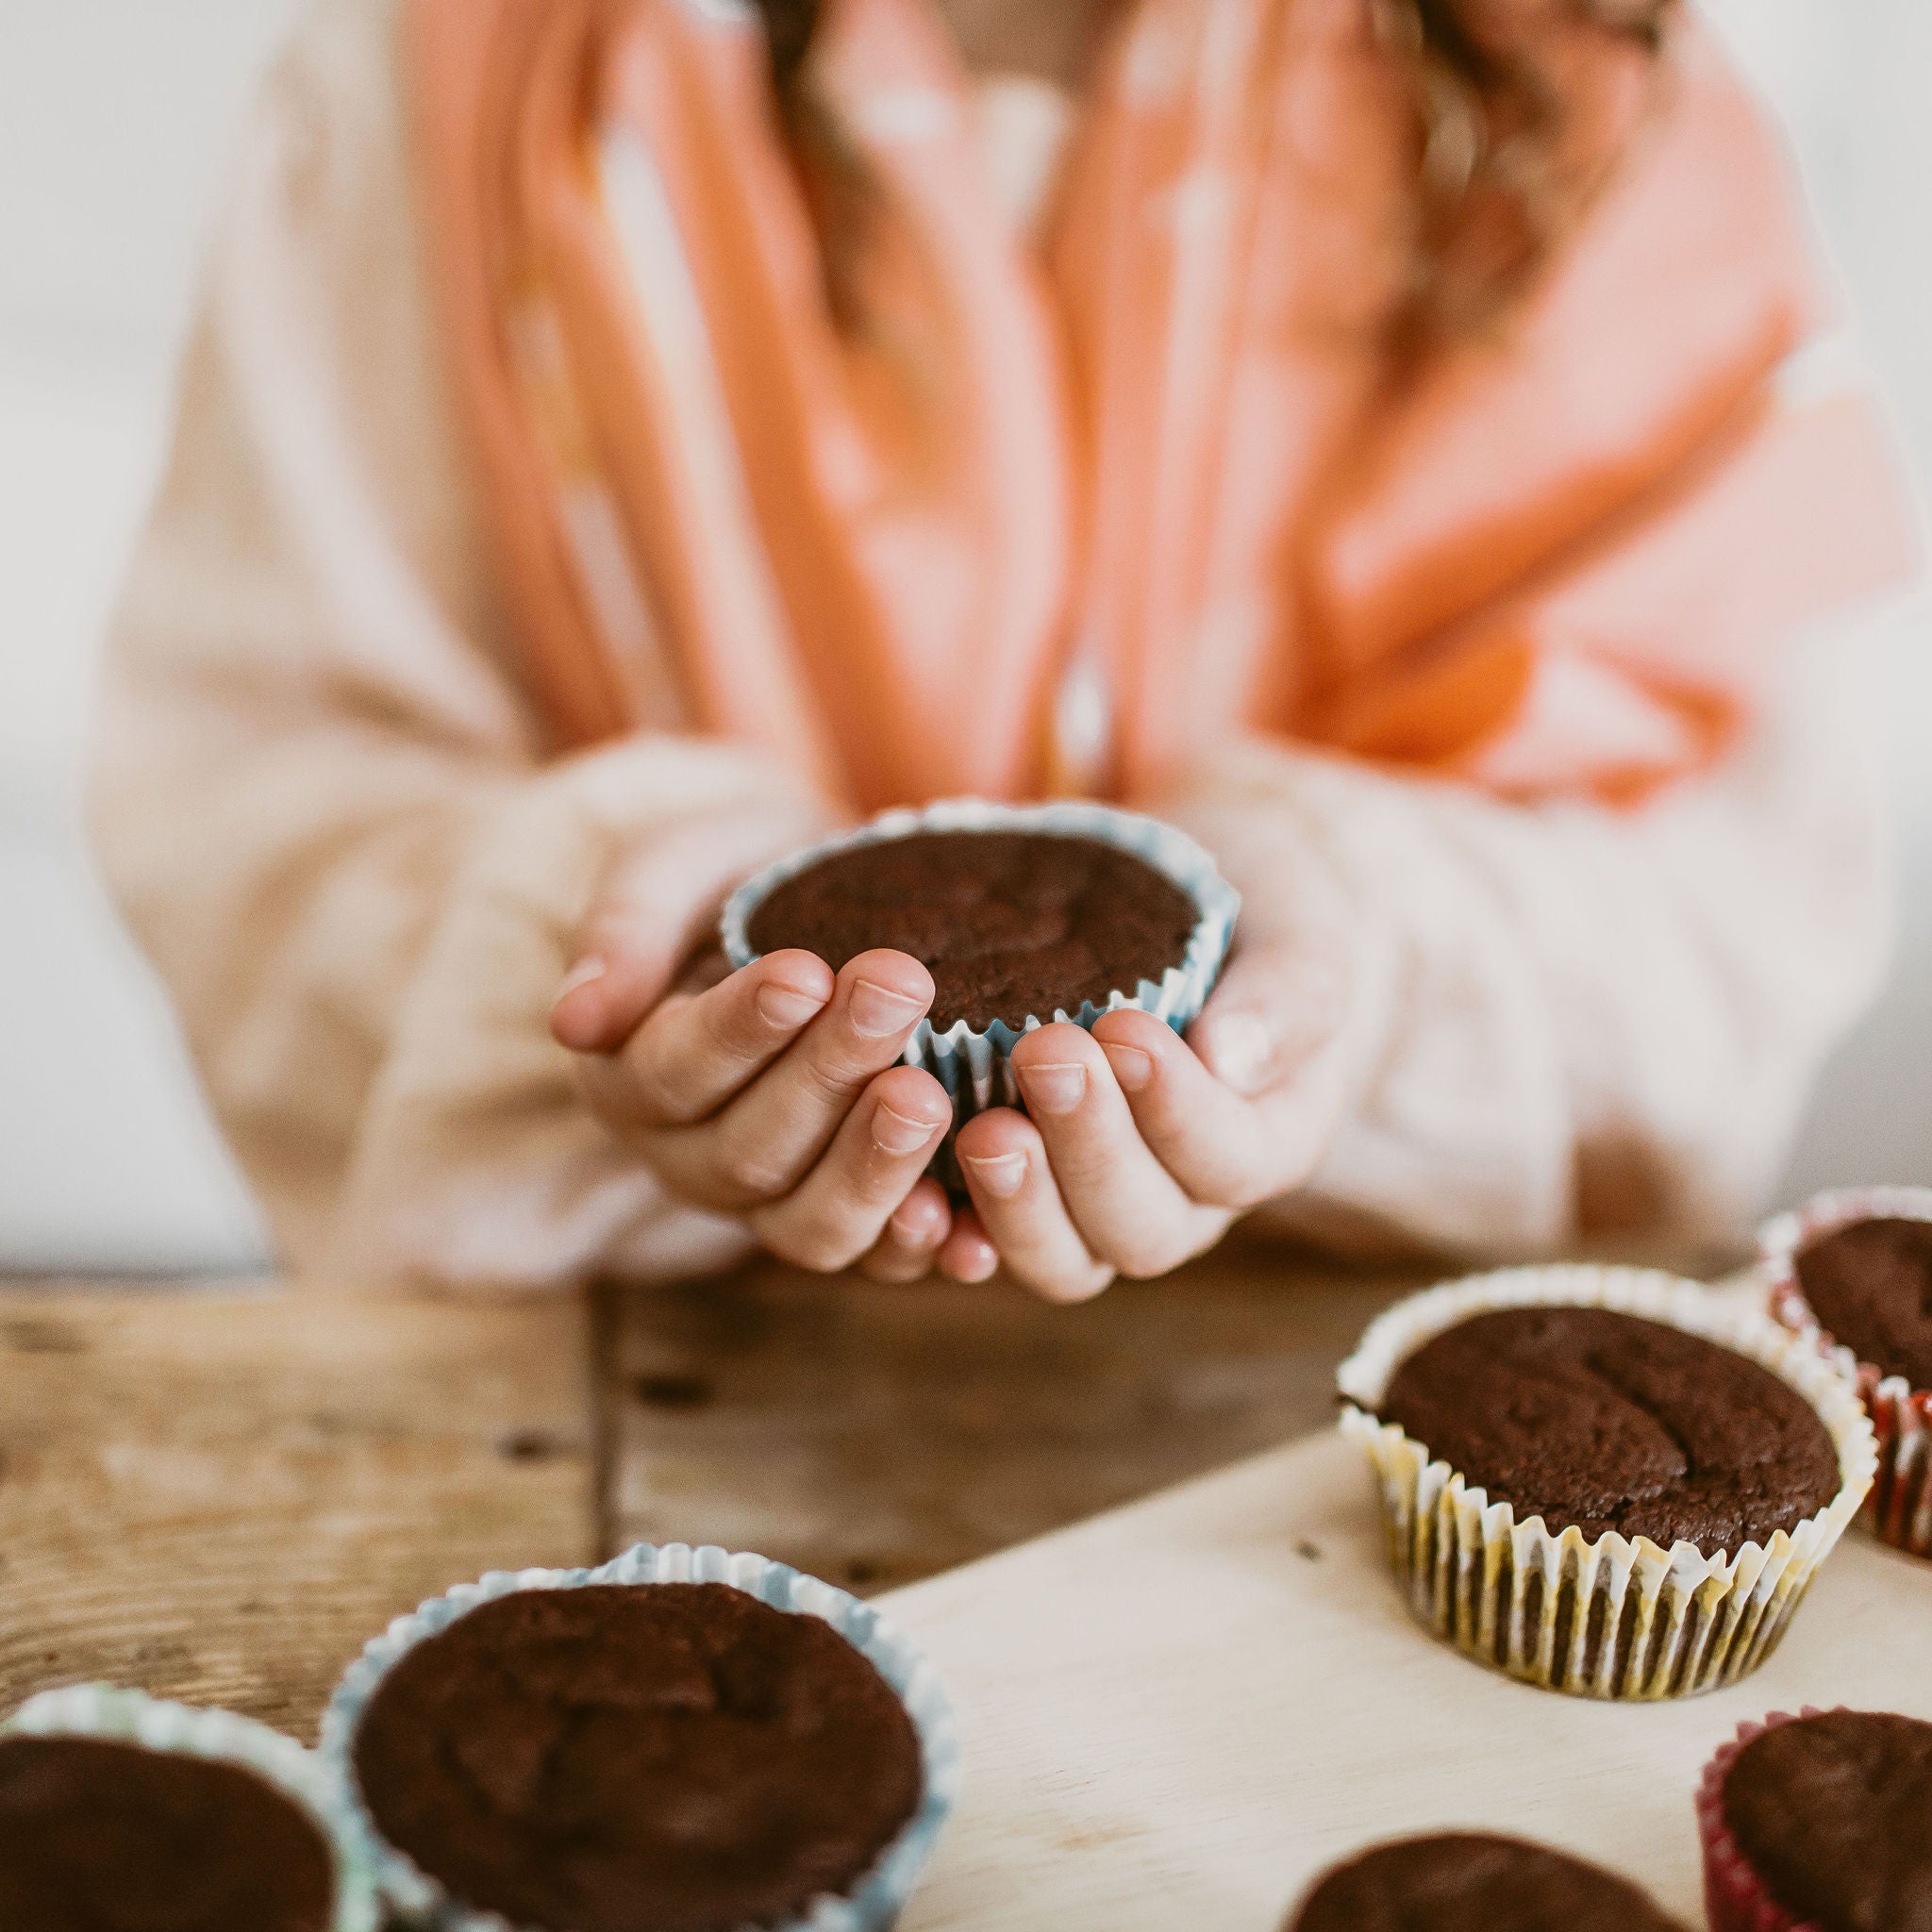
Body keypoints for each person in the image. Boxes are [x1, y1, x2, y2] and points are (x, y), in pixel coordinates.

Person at [92, 0, 1917, 1300]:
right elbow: (248, 800)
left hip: (1332, 1405)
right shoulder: (440, 96)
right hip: (639, 1382)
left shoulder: (1616, 121)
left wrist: (1365, 966)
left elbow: (1742, 910)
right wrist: (590, 922)